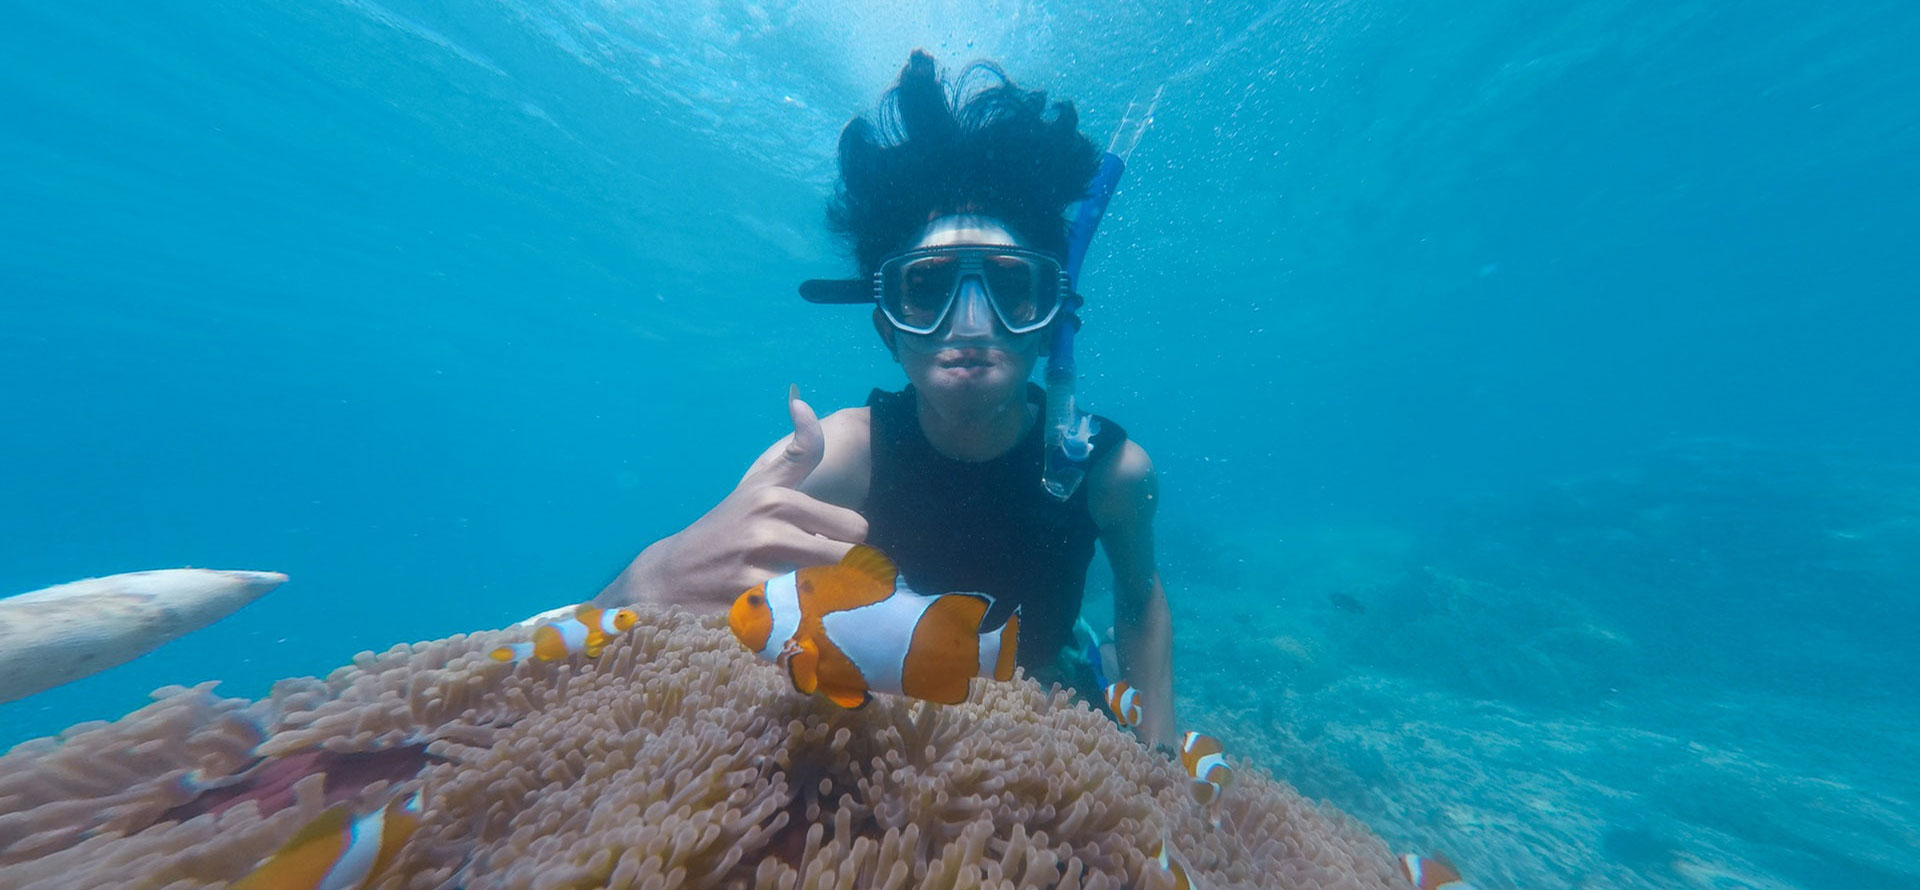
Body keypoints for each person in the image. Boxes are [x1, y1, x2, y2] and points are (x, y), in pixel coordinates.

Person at [596, 50, 1176, 749]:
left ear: (1052, 316)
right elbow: (713, 586)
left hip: (1046, 680)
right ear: (886, 328)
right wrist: (644, 582)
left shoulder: (1111, 474)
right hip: (876, 695)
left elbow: (1140, 604)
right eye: (927, 290)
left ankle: (1085, 656)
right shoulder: (841, 455)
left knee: (1079, 663)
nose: (970, 323)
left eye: (1010, 286)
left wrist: (1162, 755)